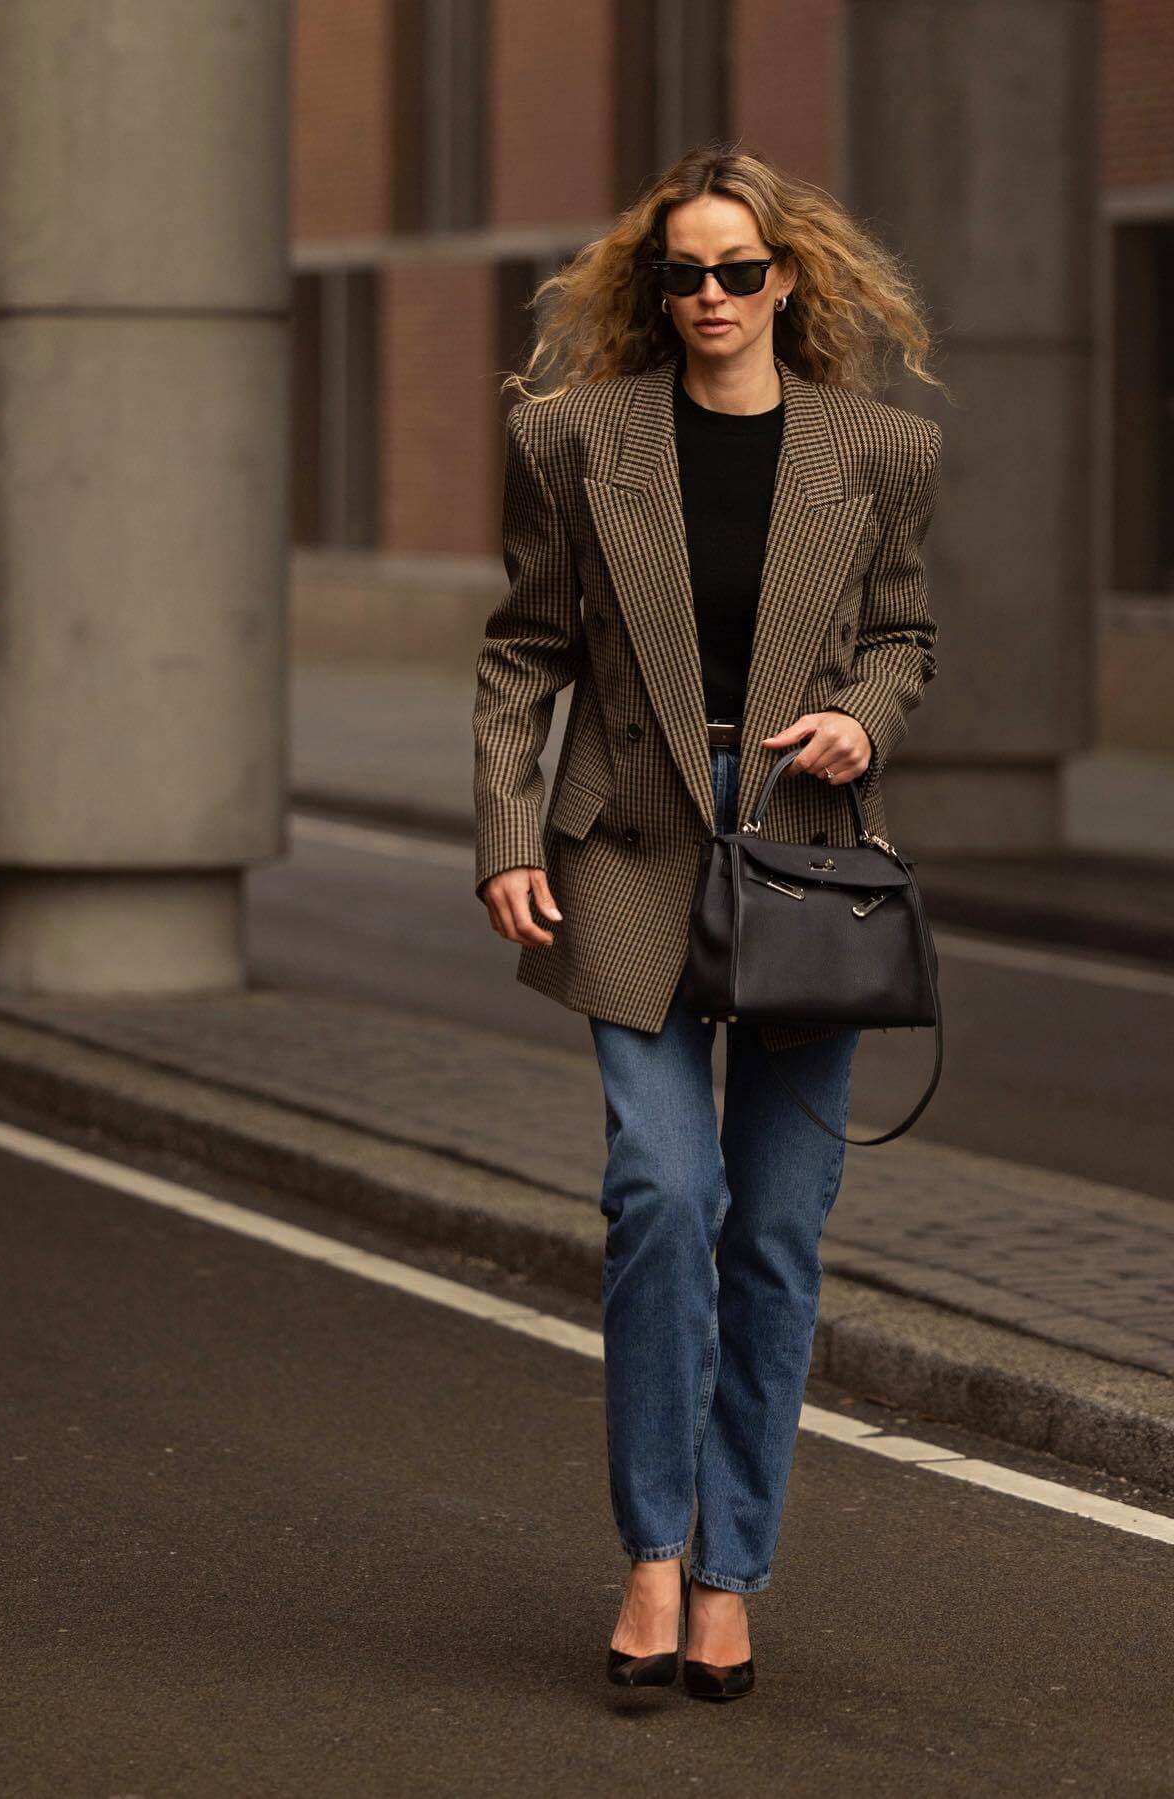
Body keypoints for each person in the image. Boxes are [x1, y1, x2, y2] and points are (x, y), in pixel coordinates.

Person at [471, 143, 946, 1701]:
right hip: (631, 848)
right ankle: (652, 1558)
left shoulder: (877, 450)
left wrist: (865, 724)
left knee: (782, 1233)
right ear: (652, 285)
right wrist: (501, 831)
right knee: (665, 1199)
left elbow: (902, 634)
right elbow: (523, 651)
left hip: (805, 861)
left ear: (787, 278)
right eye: (685, 273)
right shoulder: (572, 442)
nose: (715, 297)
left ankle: (736, 1567)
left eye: (742, 270)